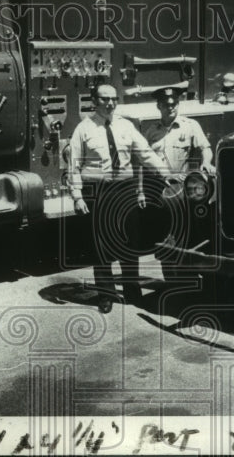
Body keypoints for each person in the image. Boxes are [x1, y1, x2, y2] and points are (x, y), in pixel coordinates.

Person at [68, 83, 169, 305]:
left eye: (114, 99)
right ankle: (106, 295)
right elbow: (73, 166)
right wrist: (77, 196)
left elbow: (145, 154)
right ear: (94, 101)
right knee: (101, 245)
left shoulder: (126, 126)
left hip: (124, 189)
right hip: (97, 190)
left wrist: (166, 174)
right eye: (105, 99)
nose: (110, 103)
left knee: (129, 242)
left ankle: (133, 291)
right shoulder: (83, 129)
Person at [139, 86, 215, 255]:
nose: (171, 107)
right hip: (158, 189)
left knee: (188, 232)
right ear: (159, 106)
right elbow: (142, 163)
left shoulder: (190, 126)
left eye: (174, 104)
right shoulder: (151, 132)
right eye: (166, 104)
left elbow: (206, 148)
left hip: (182, 189)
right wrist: (141, 191)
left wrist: (207, 162)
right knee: (163, 234)